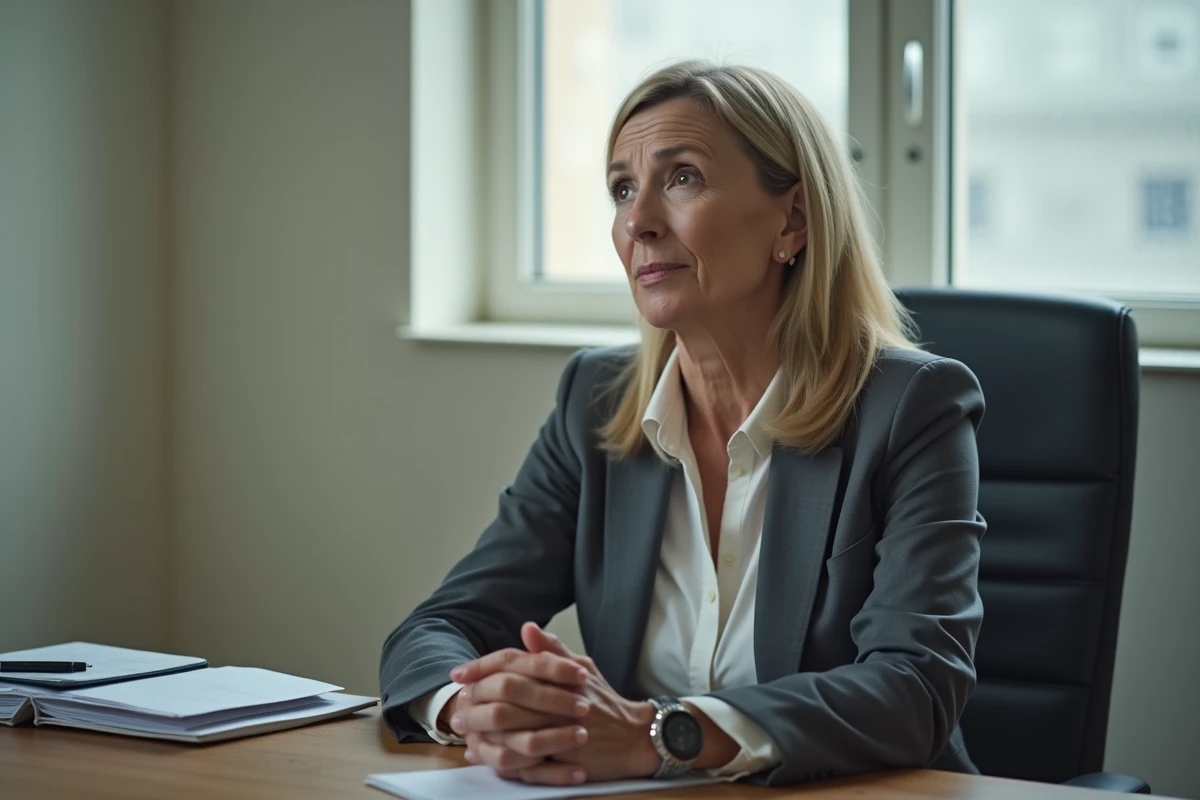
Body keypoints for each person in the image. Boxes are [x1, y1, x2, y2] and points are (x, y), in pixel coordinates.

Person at [379, 60, 985, 787]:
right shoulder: (597, 402)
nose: (637, 221)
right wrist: (478, 707)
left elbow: (915, 688)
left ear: (792, 220)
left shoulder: (913, 408)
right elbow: (437, 628)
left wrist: (663, 734)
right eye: (623, 189)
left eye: (683, 177)